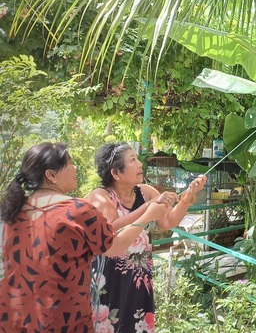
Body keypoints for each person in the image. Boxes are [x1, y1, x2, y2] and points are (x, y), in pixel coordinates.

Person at [0, 142, 168, 333]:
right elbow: (114, 246)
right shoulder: (76, 211)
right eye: (70, 163)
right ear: (51, 175)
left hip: (14, 316)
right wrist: (148, 216)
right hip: (59, 318)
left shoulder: (13, 212)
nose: (76, 167)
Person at [87, 142, 207, 333]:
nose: (140, 164)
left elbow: (167, 221)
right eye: (132, 160)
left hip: (138, 280)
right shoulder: (101, 196)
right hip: (108, 280)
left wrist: (188, 196)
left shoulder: (145, 191)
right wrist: (148, 209)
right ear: (116, 173)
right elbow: (110, 230)